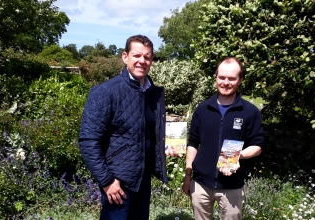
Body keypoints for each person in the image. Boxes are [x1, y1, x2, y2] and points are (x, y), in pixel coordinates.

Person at [78, 35, 169, 220]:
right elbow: (88, 140)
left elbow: (148, 133)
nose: (142, 61)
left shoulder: (154, 94)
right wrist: (106, 181)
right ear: (125, 57)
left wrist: (164, 148)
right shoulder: (106, 92)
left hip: (142, 180)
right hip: (118, 182)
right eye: (137, 56)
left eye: (147, 57)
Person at [182, 57, 264, 220]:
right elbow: (193, 144)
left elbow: (257, 146)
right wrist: (188, 176)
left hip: (231, 185)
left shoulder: (249, 111)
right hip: (200, 185)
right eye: (222, 77)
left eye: (232, 78)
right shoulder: (203, 108)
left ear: (240, 80)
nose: (226, 82)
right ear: (216, 77)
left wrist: (236, 156)